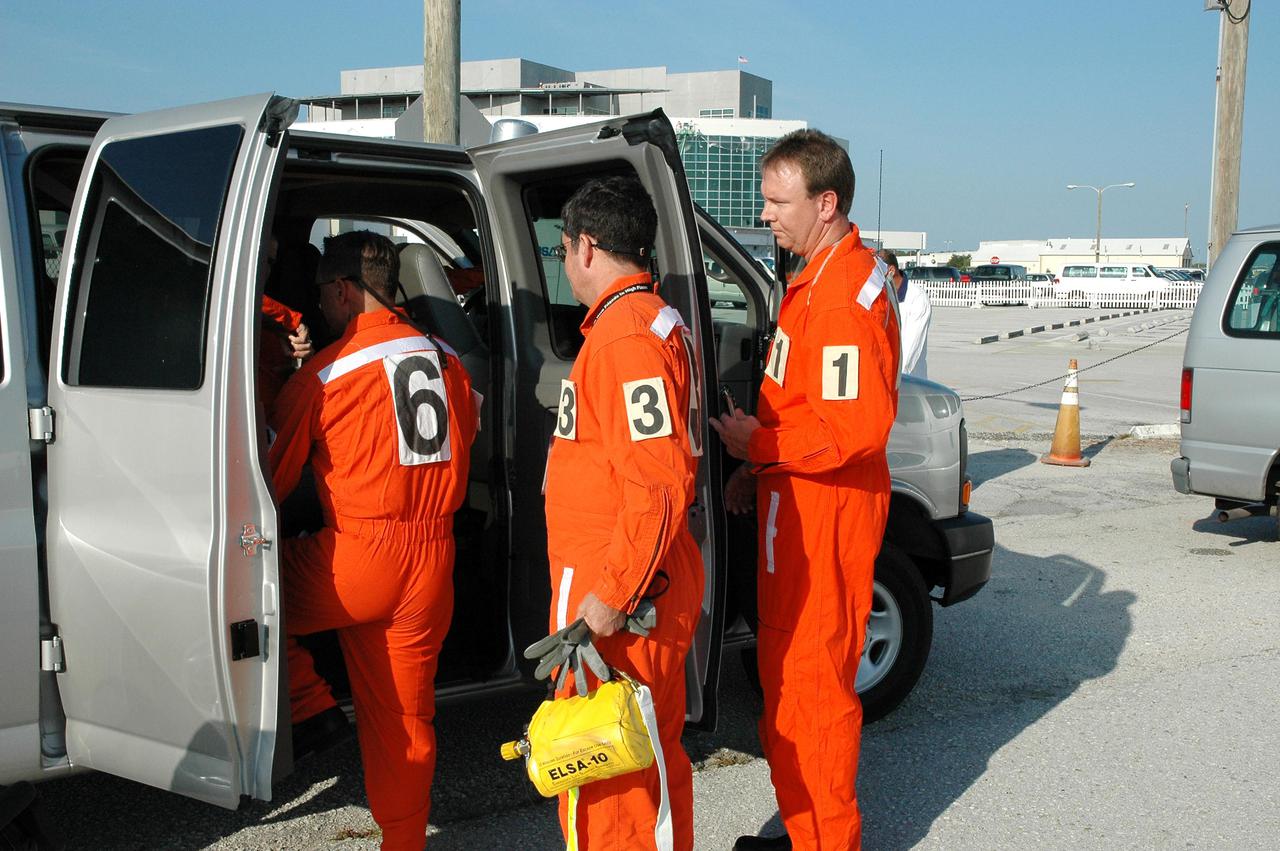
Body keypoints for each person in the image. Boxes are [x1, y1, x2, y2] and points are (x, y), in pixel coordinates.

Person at [709, 129, 901, 851]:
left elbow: (852, 430)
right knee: (785, 694)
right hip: (794, 513)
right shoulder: (816, 279)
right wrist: (753, 469)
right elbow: (802, 402)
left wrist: (756, 446)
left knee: (814, 700)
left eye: (777, 201)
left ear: (826, 203)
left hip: (825, 528)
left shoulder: (843, 298)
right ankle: (804, 832)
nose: (767, 215)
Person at [268, 230, 478, 851]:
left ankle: (308, 705)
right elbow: (465, 435)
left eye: (324, 297)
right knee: (404, 722)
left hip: (358, 557)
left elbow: (262, 484)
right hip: (434, 558)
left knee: (235, 596)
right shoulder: (447, 358)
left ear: (344, 291)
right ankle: (404, 841)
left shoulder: (325, 372)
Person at [542, 176, 703, 850]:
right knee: (636, 759)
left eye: (562, 249)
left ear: (585, 246)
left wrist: (609, 597)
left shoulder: (625, 338)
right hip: (628, 580)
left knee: (614, 777)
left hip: (622, 594)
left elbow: (657, 487)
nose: (565, 262)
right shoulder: (645, 321)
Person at [880, 249, 930, 379]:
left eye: (878, 271)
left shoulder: (917, 298)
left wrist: (896, 378)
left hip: (908, 381)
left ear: (891, 270)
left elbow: (911, 346)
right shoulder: (880, 294)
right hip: (883, 377)